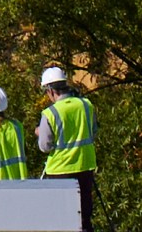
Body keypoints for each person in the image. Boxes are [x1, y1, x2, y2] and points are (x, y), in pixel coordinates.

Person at [37, 66, 97, 231]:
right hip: (85, 166)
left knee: (61, 220)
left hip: (60, 171)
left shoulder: (50, 113)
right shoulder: (86, 105)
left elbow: (45, 146)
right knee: (84, 217)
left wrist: (40, 132)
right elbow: (93, 132)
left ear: (50, 90)